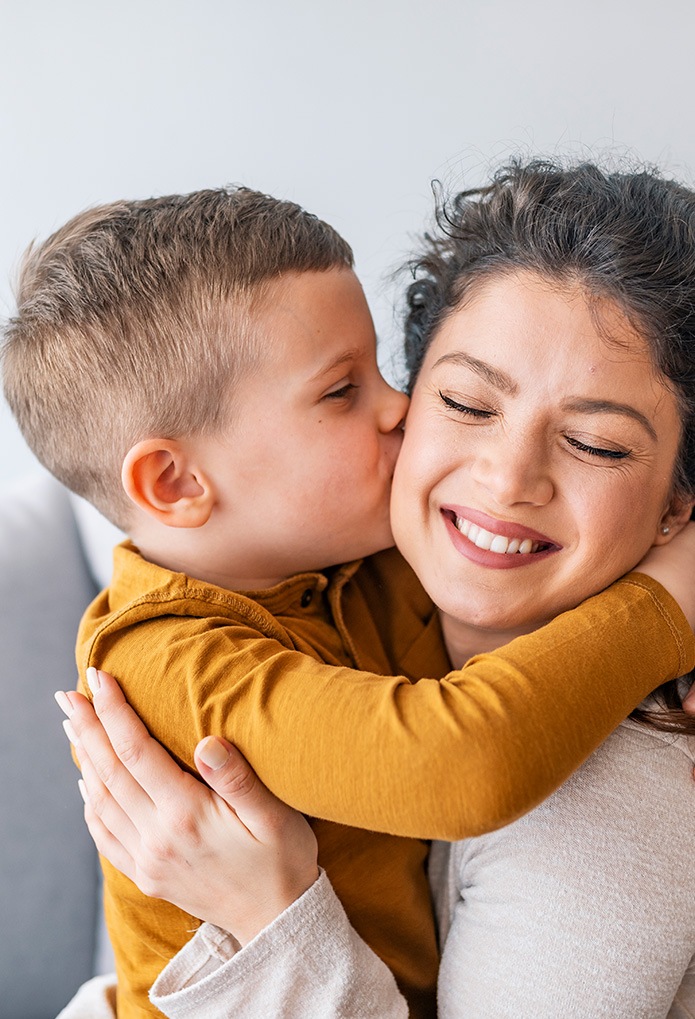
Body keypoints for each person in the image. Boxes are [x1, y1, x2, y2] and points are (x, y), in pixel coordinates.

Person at [5, 179, 693, 1019]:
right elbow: (462, 759)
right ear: (177, 482)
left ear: (676, 503)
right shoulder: (173, 658)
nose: (395, 407)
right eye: (461, 401)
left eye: (593, 442)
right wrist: (665, 609)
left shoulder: (339, 564)